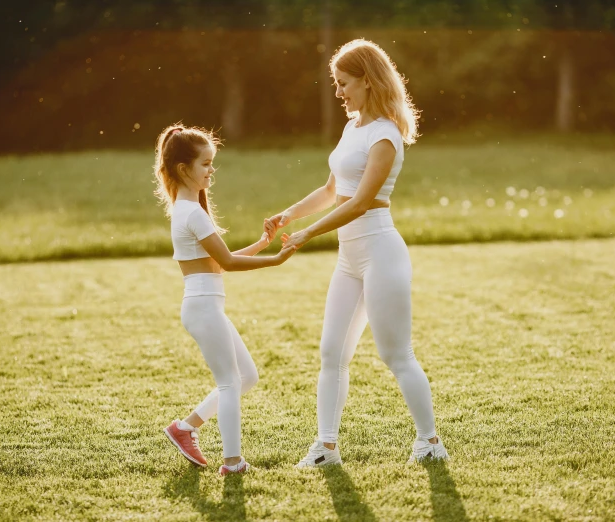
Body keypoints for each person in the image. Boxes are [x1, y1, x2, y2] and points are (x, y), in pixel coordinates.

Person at [267, 39, 449, 467]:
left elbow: (361, 201)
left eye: (343, 83)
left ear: (367, 81)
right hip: (349, 258)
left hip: (381, 253)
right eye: (336, 83)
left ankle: (430, 443)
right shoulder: (353, 127)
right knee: (332, 353)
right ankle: (326, 448)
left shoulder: (385, 135)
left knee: (396, 354)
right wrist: (289, 215)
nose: (338, 92)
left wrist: (308, 234)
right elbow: (333, 190)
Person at [155, 124, 296, 476]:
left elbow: (218, 260)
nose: (211, 170)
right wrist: (277, 260)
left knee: (246, 376)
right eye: (205, 164)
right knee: (230, 382)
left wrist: (264, 245)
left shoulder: (188, 211)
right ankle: (233, 462)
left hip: (205, 307)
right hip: (203, 309)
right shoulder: (192, 213)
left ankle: (185, 428)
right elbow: (229, 264)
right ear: (183, 169)